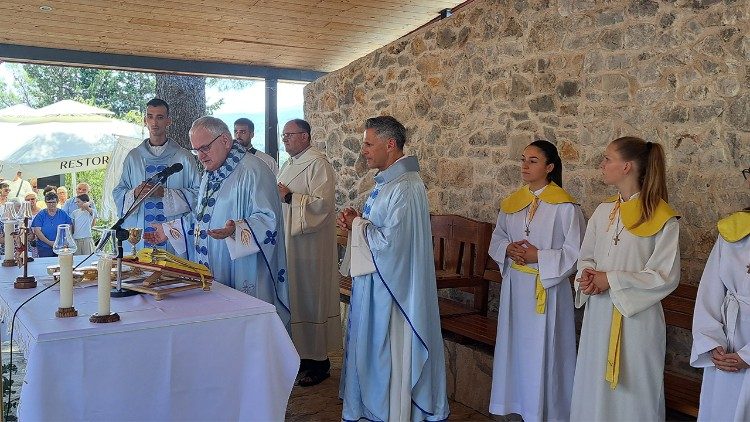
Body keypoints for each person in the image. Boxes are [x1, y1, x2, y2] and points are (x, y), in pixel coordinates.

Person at [337, 116, 449, 421]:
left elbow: (394, 245)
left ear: (390, 144)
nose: (364, 150)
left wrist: (356, 225)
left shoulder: (407, 187)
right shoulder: (390, 182)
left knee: (389, 352)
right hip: (378, 284)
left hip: (394, 293)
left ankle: (391, 411)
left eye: (369, 143)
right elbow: (384, 231)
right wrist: (358, 221)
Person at [571, 136, 680, 420]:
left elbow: (664, 276)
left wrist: (612, 280)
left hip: (636, 321)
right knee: (594, 390)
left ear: (627, 166)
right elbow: (587, 257)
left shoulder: (661, 216)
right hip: (599, 316)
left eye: (607, 159)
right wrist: (586, 278)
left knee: (634, 395)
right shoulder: (603, 211)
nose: (601, 165)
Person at [144, 116, 290, 328]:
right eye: (196, 150)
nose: (200, 156)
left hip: (242, 269)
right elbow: (201, 217)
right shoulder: (209, 174)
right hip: (213, 269)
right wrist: (169, 229)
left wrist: (237, 229)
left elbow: (270, 220)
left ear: (225, 140)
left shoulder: (254, 171)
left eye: (204, 148)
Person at [488, 140, 584, 421]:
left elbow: (576, 253)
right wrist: (509, 249)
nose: (524, 166)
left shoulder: (566, 207)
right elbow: (498, 237)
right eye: (523, 160)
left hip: (546, 289)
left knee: (546, 352)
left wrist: (538, 256)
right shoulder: (512, 203)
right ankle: (516, 404)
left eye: (532, 161)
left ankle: (547, 410)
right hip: (516, 288)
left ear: (550, 167)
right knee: (515, 349)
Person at [277, 118, 341, 387]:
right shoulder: (288, 165)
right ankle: (301, 357)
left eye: (290, 135)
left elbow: (322, 206)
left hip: (310, 249)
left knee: (311, 299)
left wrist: (290, 197)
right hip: (290, 247)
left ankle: (319, 363)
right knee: (296, 299)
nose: (285, 139)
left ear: (305, 136)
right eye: (283, 136)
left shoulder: (318, 164)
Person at [690, 165, 750, 421]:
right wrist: (712, 343)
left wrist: (747, 356)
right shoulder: (734, 230)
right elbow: (710, 292)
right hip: (727, 344)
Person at [113, 98, 200, 253]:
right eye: (150, 117)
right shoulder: (133, 157)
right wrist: (134, 193)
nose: (154, 123)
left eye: (160, 117)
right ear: (145, 120)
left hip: (172, 240)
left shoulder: (184, 157)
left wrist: (165, 194)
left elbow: (199, 196)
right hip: (139, 238)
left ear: (168, 121)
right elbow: (118, 193)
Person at [31, 192, 73, 257]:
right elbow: (37, 231)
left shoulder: (63, 214)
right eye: (49, 202)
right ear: (45, 202)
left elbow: (69, 227)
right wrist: (50, 243)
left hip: (61, 247)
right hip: (44, 247)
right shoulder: (41, 215)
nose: (51, 204)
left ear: (57, 202)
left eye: (53, 202)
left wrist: (64, 241)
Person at [23, 192, 40, 258]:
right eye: (28, 200)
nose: (30, 201)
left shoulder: (42, 212)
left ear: (36, 200)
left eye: (32, 199)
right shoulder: (23, 213)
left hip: (40, 242)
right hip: (27, 243)